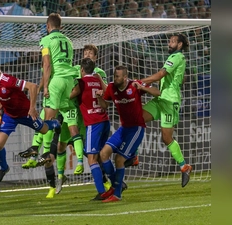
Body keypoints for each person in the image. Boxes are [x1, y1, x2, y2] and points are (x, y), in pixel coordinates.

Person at [0, 58, 61, 185]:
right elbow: (2, 98)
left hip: (25, 113)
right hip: (10, 116)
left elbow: (32, 87)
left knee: (44, 130)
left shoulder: (8, 81)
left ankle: (56, 124)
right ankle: (4, 168)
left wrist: (32, 108)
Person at [96, 65, 161, 202]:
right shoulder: (112, 87)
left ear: (125, 77)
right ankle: (115, 187)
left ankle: (117, 194)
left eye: (118, 76)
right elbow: (105, 106)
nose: (115, 78)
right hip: (123, 128)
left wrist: (143, 88)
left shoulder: (134, 85)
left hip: (136, 129)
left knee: (119, 159)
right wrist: (99, 98)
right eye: (114, 76)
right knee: (103, 154)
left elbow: (157, 92)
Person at [139, 33, 193, 187]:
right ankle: (134, 156)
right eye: (169, 41)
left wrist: (140, 82)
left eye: (173, 41)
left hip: (169, 102)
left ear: (180, 45)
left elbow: (161, 74)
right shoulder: (176, 58)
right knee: (137, 118)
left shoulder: (177, 57)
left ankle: (184, 166)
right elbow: (181, 78)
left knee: (166, 138)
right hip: (161, 99)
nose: (169, 43)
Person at [37, 13, 78, 164]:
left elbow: (47, 64)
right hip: (69, 82)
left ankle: (47, 152)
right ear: (61, 27)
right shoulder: (68, 41)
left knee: (47, 120)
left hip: (57, 80)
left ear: (48, 26)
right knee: (54, 116)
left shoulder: (46, 40)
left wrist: (46, 85)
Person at [70, 58, 111, 201]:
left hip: (93, 123)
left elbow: (70, 95)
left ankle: (101, 192)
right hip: (105, 120)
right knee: (102, 155)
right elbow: (106, 100)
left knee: (92, 159)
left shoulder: (81, 83)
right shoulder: (98, 80)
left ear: (82, 69)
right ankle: (117, 184)